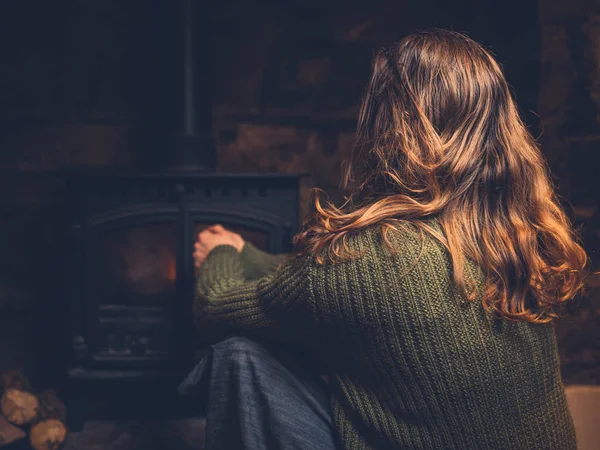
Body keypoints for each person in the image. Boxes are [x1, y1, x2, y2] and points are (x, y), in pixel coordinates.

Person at [184, 29, 588, 449]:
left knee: (238, 355)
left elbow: (213, 306)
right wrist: (246, 250)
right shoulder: (515, 237)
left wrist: (221, 254)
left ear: (392, 124)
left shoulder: (375, 258)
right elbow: (318, 284)